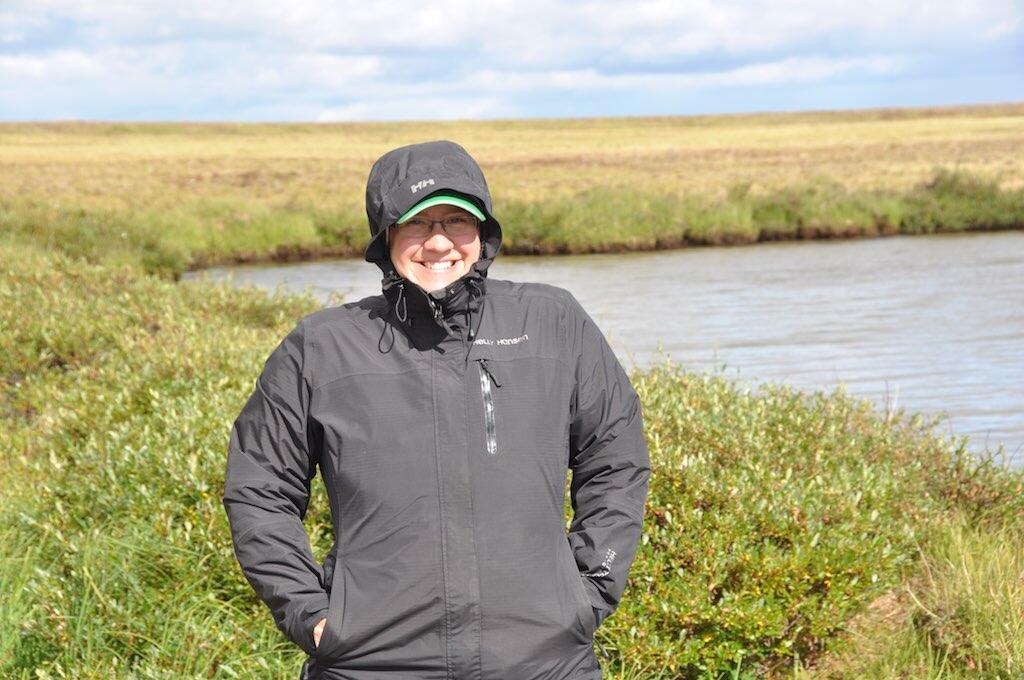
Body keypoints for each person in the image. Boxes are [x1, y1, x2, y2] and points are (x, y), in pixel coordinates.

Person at [222, 139, 651, 680]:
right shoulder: (322, 346)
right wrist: (311, 615)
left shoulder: (552, 321)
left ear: (483, 233)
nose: (439, 242)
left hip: (543, 661)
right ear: (386, 237)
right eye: (418, 223)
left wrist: (588, 592)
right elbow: (258, 488)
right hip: (371, 664)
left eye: (456, 220)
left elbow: (615, 460)